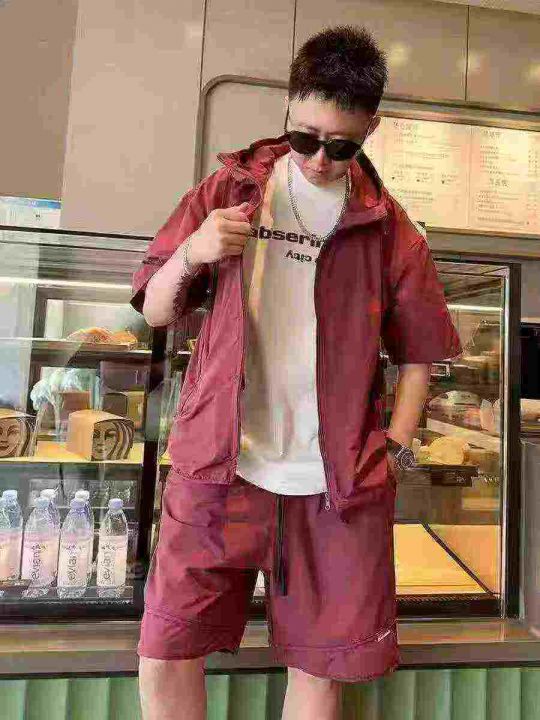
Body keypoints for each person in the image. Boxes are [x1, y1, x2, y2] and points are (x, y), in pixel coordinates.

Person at [132, 25, 462, 720]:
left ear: (370, 130)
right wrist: (193, 252)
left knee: (320, 668)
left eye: (340, 146)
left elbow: (419, 356)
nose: (317, 160)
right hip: (218, 465)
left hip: (334, 484)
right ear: (288, 108)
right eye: (304, 137)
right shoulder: (230, 189)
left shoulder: (391, 228)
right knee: (165, 651)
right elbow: (157, 310)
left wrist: (394, 451)